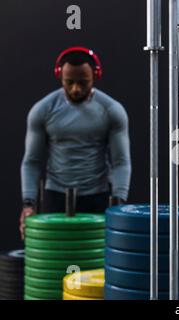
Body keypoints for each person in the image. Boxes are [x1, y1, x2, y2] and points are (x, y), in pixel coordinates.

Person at [19, 47, 132, 239]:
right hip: (55, 196)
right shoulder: (43, 110)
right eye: (69, 82)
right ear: (59, 76)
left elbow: (121, 161)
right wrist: (28, 205)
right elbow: (32, 161)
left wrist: (118, 204)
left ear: (95, 76)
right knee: (56, 259)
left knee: (95, 261)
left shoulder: (111, 110)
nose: (75, 89)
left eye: (83, 82)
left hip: (97, 197)